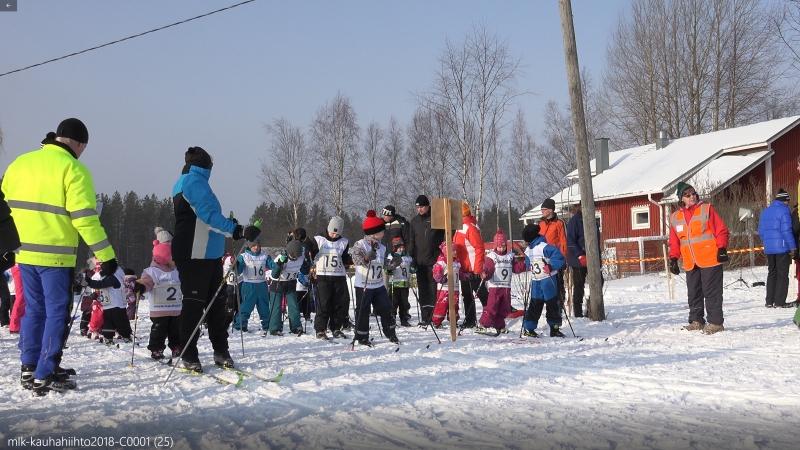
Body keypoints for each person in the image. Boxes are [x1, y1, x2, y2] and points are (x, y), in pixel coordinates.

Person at [2, 119, 116, 395]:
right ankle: (45, 373)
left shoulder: (20, 162)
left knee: (33, 309)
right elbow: (85, 218)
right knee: (56, 313)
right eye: (83, 148)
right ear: (78, 144)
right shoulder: (74, 169)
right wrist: (106, 255)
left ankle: (29, 366)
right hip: (55, 257)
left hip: (23, 253)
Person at [172, 146, 260, 372]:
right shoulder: (192, 182)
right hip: (193, 253)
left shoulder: (196, 182)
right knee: (194, 305)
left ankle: (220, 350)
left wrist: (230, 227)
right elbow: (208, 216)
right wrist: (236, 230)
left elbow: (210, 219)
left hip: (209, 254)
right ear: (205, 165)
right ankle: (188, 352)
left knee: (217, 305)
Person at [668, 182, 730, 334]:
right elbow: (675, 241)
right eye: (687, 195)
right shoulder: (675, 217)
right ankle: (697, 321)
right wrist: (674, 258)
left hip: (710, 257)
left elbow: (722, 230)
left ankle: (716, 323)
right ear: (681, 198)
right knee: (694, 292)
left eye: (693, 193)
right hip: (690, 262)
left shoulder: (707, 209)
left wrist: (722, 248)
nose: (692, 196)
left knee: (711, 291)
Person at [351, 210, 399, 345]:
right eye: (382, 231)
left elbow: (384, 265)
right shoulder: (360, 244)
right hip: (364, 284)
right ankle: (362, 336)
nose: (384, 233)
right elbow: (356, 259)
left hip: (378, 284)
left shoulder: (382, 247)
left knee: (386, 308)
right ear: (375, 233)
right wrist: (366, 258)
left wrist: (393, 264)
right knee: (363, 311)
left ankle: (391, 333)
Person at [309, 216, 353, 339]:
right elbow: (311, 254)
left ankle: (336, 328)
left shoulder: (344, 242)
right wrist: (308, 251)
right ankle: (320, 329)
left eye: (337, 233)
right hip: (323, 276)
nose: (334, 235)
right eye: (333, 232)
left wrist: (349, 260)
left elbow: (344, 258)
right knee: (324, 304)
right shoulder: (319, 240)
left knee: (337, 304)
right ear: (328, 229)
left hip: (338, 276)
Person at [139, 233, 181, 360]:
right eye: (171, 257)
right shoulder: (152, 271)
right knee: (159, 331)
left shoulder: (176, 270)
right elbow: (147, 283)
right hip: (159, 309)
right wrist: (141, 288)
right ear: (165, 257)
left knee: (176, 330)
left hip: (176, 309)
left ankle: (177, 347)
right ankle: (156, 348)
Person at [520, 223, 567, 338]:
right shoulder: (528, 250)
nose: (524, 242)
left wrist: (551, 266)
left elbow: (559, 256)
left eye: (526, 239)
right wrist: (528, 265)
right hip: (536, 281)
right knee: (535, 304)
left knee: (552, 304)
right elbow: (528, 260)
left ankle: (554, 328)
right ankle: (529, 328)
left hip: (548, 280)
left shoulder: (543, 246)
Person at [478, 229, 526, 334]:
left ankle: (499, 325)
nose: (501, 248)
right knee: (491, 306)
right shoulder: (492, 256)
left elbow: (515, 268)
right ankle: (484, 324)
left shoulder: (510, 256)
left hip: (506, 287)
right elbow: (489, 269)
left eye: (504, 246)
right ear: (495, 246)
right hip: (495, 286)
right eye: (499, 246)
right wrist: (485, 275)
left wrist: (524, 264)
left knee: (504, 307)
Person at [407, 195, 445, 326]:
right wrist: (410, 258)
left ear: (428, 206)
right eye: (418, 207)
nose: (420, 209)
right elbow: (412, 242)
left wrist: (441, 255)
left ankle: (435, 317)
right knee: (423, 290)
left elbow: (445, 237)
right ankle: (425, 316)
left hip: (434, 262)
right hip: (419, 262)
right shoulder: (414, 221)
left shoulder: (436, 219)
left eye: (422, 207)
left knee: (433, 290)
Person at [758, 189, 796, 308]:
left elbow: (761, 231)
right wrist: (793, 247)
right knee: (782, 274)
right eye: (788, 201)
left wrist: (767, 243)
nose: (788, 204)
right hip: (782, 247)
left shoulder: (765, 211)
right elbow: (786, 230)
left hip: (769, 248)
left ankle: (769, 301)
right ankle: (780, 302)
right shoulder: (784, 211)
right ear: (784, 201)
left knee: (772, 273)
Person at [267, 239, 311, 336]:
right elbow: (274, 275)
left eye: (298, 255)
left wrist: (307, 262)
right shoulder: (282, 257)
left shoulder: (301, 257)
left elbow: (304, 272)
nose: (295, 257)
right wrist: (279, 263)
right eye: (293, 255)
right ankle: (275, 328)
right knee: (276, 306)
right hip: (278, 283)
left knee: (293, 305)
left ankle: (296, 327)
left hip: (290, 282)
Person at [453, 203, 486, 328]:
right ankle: (470, 320)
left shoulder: (470, 228)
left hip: (473, 268)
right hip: (463, 268)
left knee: (482, 294)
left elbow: (479, 248)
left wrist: (477, 268)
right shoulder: (459, 227)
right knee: (466, 295)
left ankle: (492, 316)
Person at [566, 202, 602, 318]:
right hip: (579, 260)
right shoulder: (575, 221)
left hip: (592, 259)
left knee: (599, 281)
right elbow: (570, 242)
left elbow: (596, 242)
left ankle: (592, 308)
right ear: (581, 207)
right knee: (578, 285)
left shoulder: (593, 222)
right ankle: (578, 313)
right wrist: (580, 255)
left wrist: (598, 260)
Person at [85, 256, 131, 344]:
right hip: (108, 303)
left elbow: (102, 284)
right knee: (108, 321)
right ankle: (108, 337)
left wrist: (89, 282)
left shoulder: (115, 274)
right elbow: (101, 283)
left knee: (120, 321)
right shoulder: (112, 273)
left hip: (116, 303)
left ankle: (126, 336)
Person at [233, 236, 273, 334]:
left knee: (264, 306)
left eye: (258, 245)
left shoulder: (265, 256)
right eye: (254, 245)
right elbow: (238, 270)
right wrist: (236, 265)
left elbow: (272, 265)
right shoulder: (244, 256)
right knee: (246, 306)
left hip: (262, 285)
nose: (256, 247)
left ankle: (267, 324)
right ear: (249, 246)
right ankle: (240, 325)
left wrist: (279, 263)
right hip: (249, 285)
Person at [432, 241, 471, 328]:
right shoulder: (442, 261)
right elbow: (436, 272)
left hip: (455, 288)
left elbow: (459, 273)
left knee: (454, 305)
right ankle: (437, 322)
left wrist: (465, 276)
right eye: (453, 251)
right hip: (444, 289)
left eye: (455, 250)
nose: (455, 252)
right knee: (442, 305)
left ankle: (453, 320)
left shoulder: (457, 262)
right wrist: (440, 277)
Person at [538, 198, 568, 306]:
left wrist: (563, 259)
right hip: (542, 259)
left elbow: (564, 241)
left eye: (544, 209)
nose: (542, 211)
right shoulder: (541, 224)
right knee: (544, 284)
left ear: (551, 210)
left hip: (555, 259)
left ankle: (560, 306)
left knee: (558, 283)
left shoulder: (559, 223)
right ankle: (548, 305)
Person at [387, 237, 413, 327]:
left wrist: (413, 268)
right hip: (394, 284)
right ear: (394, 248)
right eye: (399, 247)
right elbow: (386, 269)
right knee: (393, 303)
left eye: (403, 247)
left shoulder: (408, 257)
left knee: (404, 303)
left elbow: (411, 268)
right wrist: (390, 268)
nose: (402, 249)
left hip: (404, 283)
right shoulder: (391, 257)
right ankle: (392, 319)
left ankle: (404, 319)